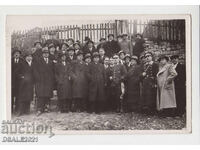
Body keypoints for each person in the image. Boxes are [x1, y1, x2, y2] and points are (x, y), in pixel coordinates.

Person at [33, 47, 55, 116]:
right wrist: (38, 78)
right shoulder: (38, 61)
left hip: (48, 81)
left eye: (47, 53)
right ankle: (40, 109)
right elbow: (35, 71)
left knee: (47, 94)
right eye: (44, 53)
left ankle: (46, 107)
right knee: (41, 95)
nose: (46, 54)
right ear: (42, 54)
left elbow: (52, 72)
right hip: (41, 81)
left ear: (48, 54)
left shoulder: (51, 62)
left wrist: (51, 79)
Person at [17, 51, 34, 116]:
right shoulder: (22, 63)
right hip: (23, 83)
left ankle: (27, 110)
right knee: (22, 96)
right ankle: (21, 110)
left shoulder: (33, 64)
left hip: (30, 83)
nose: (29, 58)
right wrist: (21, 76)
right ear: (25, 58)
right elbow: (18, 72)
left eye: (30, 56)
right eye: (28, 56)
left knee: (29, 96)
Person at [11, 48, 23, 114]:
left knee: (18, 95)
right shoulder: (9, 61)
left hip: (19, 82)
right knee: (11, 95)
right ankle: (10, 109)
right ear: (13, 55)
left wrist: (22, 76)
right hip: (11, 82)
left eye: (18, 53)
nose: (16, 54)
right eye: (15, 53)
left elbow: (24, 70)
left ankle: (17, 109)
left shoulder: (22, 61)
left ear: (20, 55)